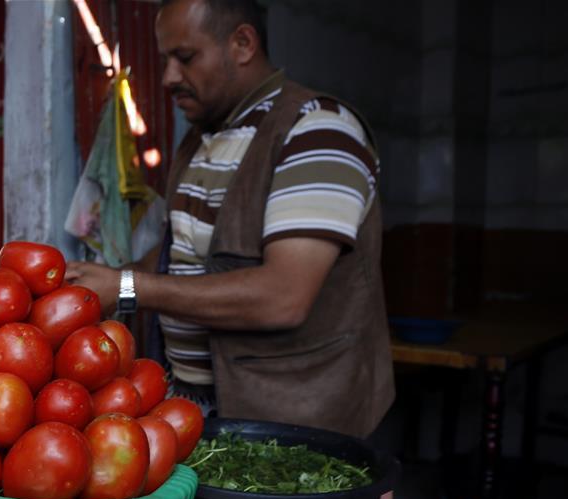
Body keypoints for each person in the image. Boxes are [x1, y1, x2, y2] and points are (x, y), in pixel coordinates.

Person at [65, 0, 394, 438]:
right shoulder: (201, 141)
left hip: (298, 434)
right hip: (196, 415)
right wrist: (102, 282)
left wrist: (127, 288)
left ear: (242, 43)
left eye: (185, 58)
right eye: (165, 60)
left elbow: (284, 296)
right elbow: (176, 262)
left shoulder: (318, 133)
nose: (168, 78)